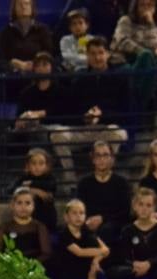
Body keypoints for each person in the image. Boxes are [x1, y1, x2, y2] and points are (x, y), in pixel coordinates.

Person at [48, 37, 130, 181]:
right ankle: (71, 180)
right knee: (57, 135)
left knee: (117, 133)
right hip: (83, 129)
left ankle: (105, 176)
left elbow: (126, 111)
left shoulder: (120, 79)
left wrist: (102, 115)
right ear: (87, 56)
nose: (97, 57)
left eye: (100, 53)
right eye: (92, 54)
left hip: (106, 128)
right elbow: (70, 110)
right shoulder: (79, 80)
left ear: (107, 54)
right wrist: (84, 117)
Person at [108, 187, 157, 279]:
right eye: (141, 204)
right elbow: (124, 255)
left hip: (154, 266)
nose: (144, 209)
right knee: (112, 273)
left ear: (154, 207)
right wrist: (134, 264)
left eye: (148, 205)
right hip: (136, 267)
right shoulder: (128, 229)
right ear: (134, 206)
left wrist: (149, 263)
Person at [75, 140, 132, 244]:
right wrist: (88, 221)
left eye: (105, 155)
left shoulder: (121, 183)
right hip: (88, 222)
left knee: (105, 230)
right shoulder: (84, 183)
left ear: (112, 158)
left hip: (114, 224)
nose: (101, 159)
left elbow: (125, 212)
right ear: (92, 159)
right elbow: (78, 208)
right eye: (98, 155)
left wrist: (102, 218)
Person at [54, 198, 110, 279]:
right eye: (74, 213)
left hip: (85, 265)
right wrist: (102, 251)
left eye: (81, 213)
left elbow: (106, 249)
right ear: (66, 216)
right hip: (68, 266)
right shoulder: (64, 233)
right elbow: (80, 252)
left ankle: (92, 271)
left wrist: (95, 261)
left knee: (93, 243)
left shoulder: (86, 230)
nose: (78, 216)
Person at [0, 188, 53, 263]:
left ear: (33, 206)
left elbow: (46, 253)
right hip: (10, 267)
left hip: (34, 268)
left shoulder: (40, 227)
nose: (23, 207)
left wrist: (29, 265)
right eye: (19, 203)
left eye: (27, 203)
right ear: (12, 206)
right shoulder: (3, 228)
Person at [0, 0, 55, 73]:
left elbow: (50, 55)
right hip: (13, 77)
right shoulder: (5, 33)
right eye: (19, 4)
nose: (23, 6)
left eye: (26, 3)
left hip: (39, 74)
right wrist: (12, 64)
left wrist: (36, 63)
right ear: (14, 8)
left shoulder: (43, 30)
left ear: (32, 7)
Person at [16, 146, 59, 232]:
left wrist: (31, 185)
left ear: (47, 166)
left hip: (47, 220)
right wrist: (30, 190)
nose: (37, 167)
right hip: (28, 220)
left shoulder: (49, 178)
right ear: (28, 165)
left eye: (41, 163)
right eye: (34, 163)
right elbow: (11, 189)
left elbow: (50, 187)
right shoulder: (24, 177)